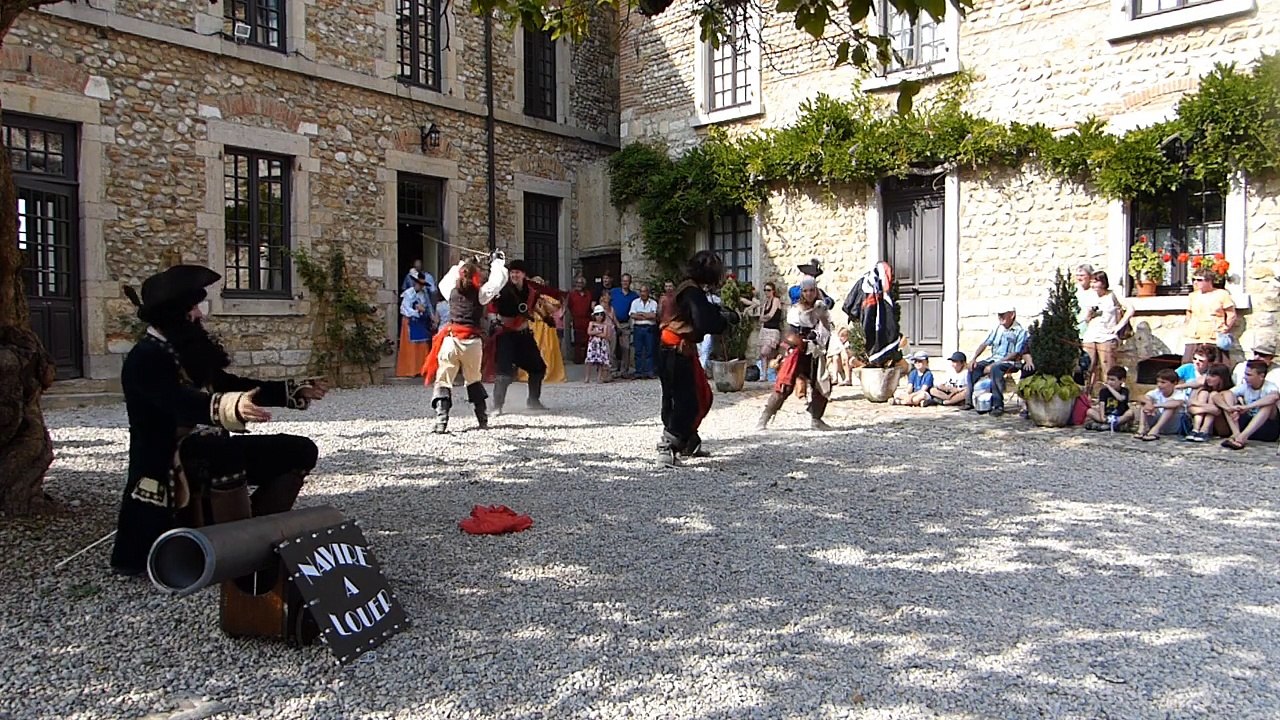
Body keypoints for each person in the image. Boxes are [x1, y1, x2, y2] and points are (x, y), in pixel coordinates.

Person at [110, 265, 327, 577]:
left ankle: (257, 537)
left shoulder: (186, 350)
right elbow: (179, 403)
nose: (200, 315)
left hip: (206, 450)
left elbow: (228, 383)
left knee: (300, 451)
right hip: (166, 461)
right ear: (175, 314)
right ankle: (232, 555)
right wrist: (230, 407)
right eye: (193, 308)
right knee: (223, 456)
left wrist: (289, 390)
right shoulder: (144, 358)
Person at [657, 251, 736, 466]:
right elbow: (703, 322)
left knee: (700, 395)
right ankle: (668, 446)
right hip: (676, 350)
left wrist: (717, 312)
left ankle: (688, 441)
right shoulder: (691, 291)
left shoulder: (688, 289)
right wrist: (722, 320)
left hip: (675, 349)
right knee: (686, 401)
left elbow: (699, 313)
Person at [421, 252, 509, 433]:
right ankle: (482, 419)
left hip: (451, 341)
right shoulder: (480, 294)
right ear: (476, 275)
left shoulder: (449, 291)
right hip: (471, 343)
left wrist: (465, 262)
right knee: (473, 380)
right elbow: (497, 281)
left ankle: (441, 421)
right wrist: (497, 262)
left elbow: (447, 278)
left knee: (444, 380)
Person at [756, 277, 835, 431]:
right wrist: (801, 340)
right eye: (806, 291)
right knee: (784, 385)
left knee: (822, 384)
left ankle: (816, 419)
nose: (809, 294)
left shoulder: (821, 307)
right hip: (798, 352)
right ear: (802, 292)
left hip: (816, 351)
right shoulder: (796, 310)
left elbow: (826, 328)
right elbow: (790, 335)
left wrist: (819, 330)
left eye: (812, 290)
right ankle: (765, 417)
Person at [488, 259, 564, 415]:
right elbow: (491, 309)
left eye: (517, 272)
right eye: (512, 272)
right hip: (506, 335)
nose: (514, 275)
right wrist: (494, 321)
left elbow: (535, 307)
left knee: (538, 368)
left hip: (524, 335)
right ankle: (497, 406)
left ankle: (533, 401)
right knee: (504, 373)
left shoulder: (530, 292)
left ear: (524, 274)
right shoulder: (502, 290)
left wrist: (546, 318)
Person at [964, 305, 1029, 418]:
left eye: (1003, 314)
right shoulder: (997, 329)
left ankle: (998, 406)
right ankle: (969, 401)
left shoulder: (1020, 331)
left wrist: (996, 363)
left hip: (1011, 362)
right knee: (974, 367)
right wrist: (974, 358)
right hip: (993, 359)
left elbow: (1016, 353)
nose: (1000, 317)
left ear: (1012, 315)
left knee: (996, 368)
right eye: (999, 315)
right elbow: (985, 343)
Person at [1080, 271, 1133, 395]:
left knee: (1107, 368)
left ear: (1103, 283)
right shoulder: (1090, 296)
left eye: (1095, 282)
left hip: (1107, 335)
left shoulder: (1113, 295)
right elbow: (1086, 318)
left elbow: (1130, 309)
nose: (1093, 285)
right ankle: (1087, 395)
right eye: (1091, 282)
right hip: (1091, 334)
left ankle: (1109, 396)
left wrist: (1119, 326)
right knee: (1088, 366)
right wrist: (1090, 313)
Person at [1220, 359, 1280, 449]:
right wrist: (1230, 408)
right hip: (1247, 425)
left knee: (1268, 405)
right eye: (1245, 374)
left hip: (1267, 429)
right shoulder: (1245, 386)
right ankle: (1236, 434)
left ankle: (1241, 438)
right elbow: (1218, 395)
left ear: (1261, 376)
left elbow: (1274, 397)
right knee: (1228, 395)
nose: (1245, 377)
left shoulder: (1270, 387)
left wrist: (1247, 407)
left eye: (1249, 375)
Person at [1182, 270, 1237, 362]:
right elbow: (1189, 314)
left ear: (1209, 281)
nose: (1195, 282)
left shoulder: (1222, 294)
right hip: (1195, 337)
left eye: (1199, 280)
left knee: (1216, 366)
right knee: (1189, 363)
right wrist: (1187, 328)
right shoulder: (1193, 296)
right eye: (1193, 280)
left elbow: (1231, 314)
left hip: (1214, 338)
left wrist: (1224, 329)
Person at [520, 278, 566, 385]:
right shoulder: (527, 296)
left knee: (548, 349)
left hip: (546, 327)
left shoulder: (548, 298)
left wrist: (543, 301)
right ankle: (529, 373)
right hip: (533, 324)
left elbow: (554, 310)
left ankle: (548, 373)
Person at [395, 269, 432, 377]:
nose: (420, 286)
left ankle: (421, 369)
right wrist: (416, 311)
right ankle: (409, 370)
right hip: (410, 321)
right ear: (415, 283)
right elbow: (405, 309)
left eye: (422, 284)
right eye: (419, 284)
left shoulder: (423, 295)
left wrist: (423, 311)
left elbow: (426, 307)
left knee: (422, 345)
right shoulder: (408, 294)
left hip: (420, 322)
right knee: (411, 346)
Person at [1184, 363, 1234, 442]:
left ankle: (1204, 430)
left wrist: (1197, 404)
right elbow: (1190, 408)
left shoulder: (1228, 392)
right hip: (1206, 421)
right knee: (1204, 394)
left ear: (1222, 378)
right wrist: (1210, 409)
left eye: (1213, 376)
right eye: (1208, 375)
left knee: (1213, 395)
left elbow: (1218, 412)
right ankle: (1196, 429)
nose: (1208, 378)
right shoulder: (1201, 389)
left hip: (1221, 427)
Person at [1134, 368, 1187, 440]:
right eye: (1158, 382)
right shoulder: (1156, 392)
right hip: (1157, 420)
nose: (1159, 385)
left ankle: (1155, 430)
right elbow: (1140, 397)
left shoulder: (1179, 393)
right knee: (1145, 402)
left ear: (1174, 383)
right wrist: (1148, 403)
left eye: (1163, 382)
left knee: (1170, 407)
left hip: (1173, 425)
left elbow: (1176, 403)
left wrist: (1154, 405)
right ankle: (1142, 428)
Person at [1084, 365, 1135, 432]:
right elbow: (1102, 404)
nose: (1109, 382)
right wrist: (1102, 417)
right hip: (1107, 417)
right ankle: (1112, 426)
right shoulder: (1103, 391)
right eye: (1108, 379)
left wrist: (1110, 388)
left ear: (1122, 380)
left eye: (1112, 380)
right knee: (1089, 411)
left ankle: (1109, 425)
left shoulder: (1124, 391)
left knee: (1130, 413)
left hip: (1119, 417)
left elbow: (1120, 398)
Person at [610, 273, 639, 378]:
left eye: (627, 281)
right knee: (612, 348)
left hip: (625, 324)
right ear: (621, 282)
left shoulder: (634, 295)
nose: (625, 283)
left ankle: (624, 371)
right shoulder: (613, 292)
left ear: (630, 282)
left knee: (625, 348)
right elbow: (605, 303)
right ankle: (613, 370)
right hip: (612, 323)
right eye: (623, 281)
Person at [754, 282, 784, 382]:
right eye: (765, 290)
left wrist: (765, 318)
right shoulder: (766, 303)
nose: (767, 292)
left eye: (768, 290)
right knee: (763, 354)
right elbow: (761, 318)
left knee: (766, 352)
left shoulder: (776, 301)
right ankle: (764, 375)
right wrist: (764, 318)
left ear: (773, 291)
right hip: (765, 330)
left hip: (773, 331)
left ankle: (771, 372)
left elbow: (770, 315)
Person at [630, 284, 660, 379]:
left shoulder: (653, 303)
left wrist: (641, 314)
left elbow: (654, 316)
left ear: (648, 292)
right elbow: (632, 315)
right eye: (641, 291)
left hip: (649, 328)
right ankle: (639, 371)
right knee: (638, 351)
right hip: (638, 328)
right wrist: (647, 315)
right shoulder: (635, 302)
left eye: (645, 291)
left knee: (650, 350)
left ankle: (649, 371)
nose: (643, 293)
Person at [566, 276, 594, 365]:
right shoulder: (572, 294)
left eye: (581, 283)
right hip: (577, 320)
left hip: (587, 319)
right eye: (578, 283)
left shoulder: (588, 294)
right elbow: (569, 306)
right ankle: (577, 359)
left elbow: (591, 306)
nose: (579, 285)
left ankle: (587, 358)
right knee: (577, 341)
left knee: (587, 340)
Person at [697, 285, 723, 371]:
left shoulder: (713, 298)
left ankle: (701, 369)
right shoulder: (696, 299)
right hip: (697, 327)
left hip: (707, 328)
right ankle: (705, 370)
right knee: (700, 350)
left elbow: (721, 303)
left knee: (705, 349)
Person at [585, 305, 612, 384]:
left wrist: (595, 333)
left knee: (600, 361)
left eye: (601, 314)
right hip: (592, 344)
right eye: (597, 314)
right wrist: (599, 332)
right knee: (589, 360)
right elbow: (589, 332)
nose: (599, 316)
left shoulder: (605, 325)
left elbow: (604, 335)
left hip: (601, 344)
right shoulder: (591, 323)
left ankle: (599, 377)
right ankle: (587, 377)